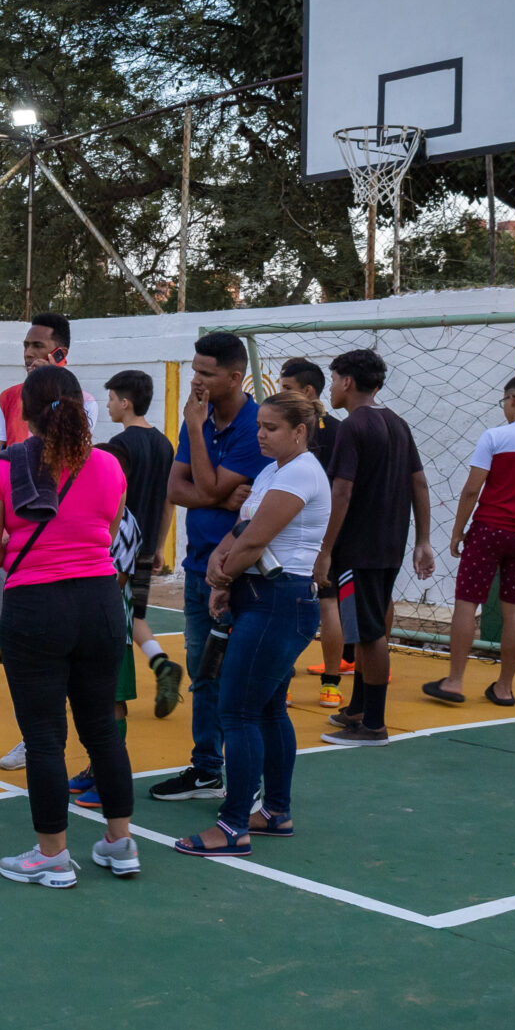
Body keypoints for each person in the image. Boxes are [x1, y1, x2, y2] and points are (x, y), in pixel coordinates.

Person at [0, 364, 137, 888]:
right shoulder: (109, 466)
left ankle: (52, 854)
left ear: (26, 413)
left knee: (44, 737)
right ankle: (120, 842)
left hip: (36, 609)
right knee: (103, 730)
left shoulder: (6, 468)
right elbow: (107, 533)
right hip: (100, 603)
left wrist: (22, 552)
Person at [179, 389, 330, 857]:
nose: (260, 434)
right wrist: (221, 565)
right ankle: (273, 812)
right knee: (265, 709)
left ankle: (232, 826)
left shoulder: (301, 472)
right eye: (259, 426)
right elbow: (242, 528)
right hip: (263, 598)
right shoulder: (273, 471)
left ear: (299, 431)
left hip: (277, 601)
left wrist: (222, 574)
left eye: (271, 428)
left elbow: (257, 538)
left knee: (238, 711)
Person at [0, 313, 101, 773]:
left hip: (60, 549)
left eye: (38, 345)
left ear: (60, 352)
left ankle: (61, 738)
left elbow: (75, 466)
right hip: (13, 546)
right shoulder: (8, 399)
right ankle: (35, 733)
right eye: (25, 345)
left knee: (64, 648)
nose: (28, 353)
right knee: (17, 644)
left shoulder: (85, 403)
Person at [152, 331, 269, 800]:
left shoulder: (258, 424)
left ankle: (252, 780)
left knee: (242, 679)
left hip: (240, 574)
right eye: (194, 369)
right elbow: (178, 489)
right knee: (202, 672)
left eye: (206, 373)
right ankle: (206, 768)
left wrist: (198, 436)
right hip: (199, 567)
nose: (196, 380)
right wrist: (217, 493)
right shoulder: (197, 420)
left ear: (235, 377)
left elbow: (204, 481)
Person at [425, 375, 515, 709]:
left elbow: (471, 489)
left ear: (511, 400)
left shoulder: (495, 437)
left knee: (467, 602)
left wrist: (457, 530)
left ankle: (454, 681)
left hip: (489, 531)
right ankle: (504, 688)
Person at [316, 348, 434, 747]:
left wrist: (326, 548)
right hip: (390, 544)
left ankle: (374, 725)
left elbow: (343, 489)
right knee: (368, 626)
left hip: (358, 547)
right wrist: (422, 540)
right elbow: (419, 482)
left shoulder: (352, 427)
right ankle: (358, 708)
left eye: (333, 379)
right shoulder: (397, 422)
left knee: (368, 634)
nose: (331, 387)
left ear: (347, 382)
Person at [101, 368, 180, 718]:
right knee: (136, 615)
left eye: (111, 399)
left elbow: (110, 497)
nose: (108, 405)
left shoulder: (120, 446)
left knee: (112, 618)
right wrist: (160, 545)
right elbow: (168, 499)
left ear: (125, 402)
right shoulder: (165, 444)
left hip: (118, 548)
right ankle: (161, 664)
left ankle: (114, 692)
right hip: (147, 545)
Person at [279, 358, 351, 709]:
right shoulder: (339, 429)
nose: (281, 394)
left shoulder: (293, 430)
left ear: (308, 391)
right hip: (327, 528)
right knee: (328, 602)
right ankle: (331, 684)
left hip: (296, 528)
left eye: (287, 389)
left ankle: (284, 683)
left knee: (288, 605)